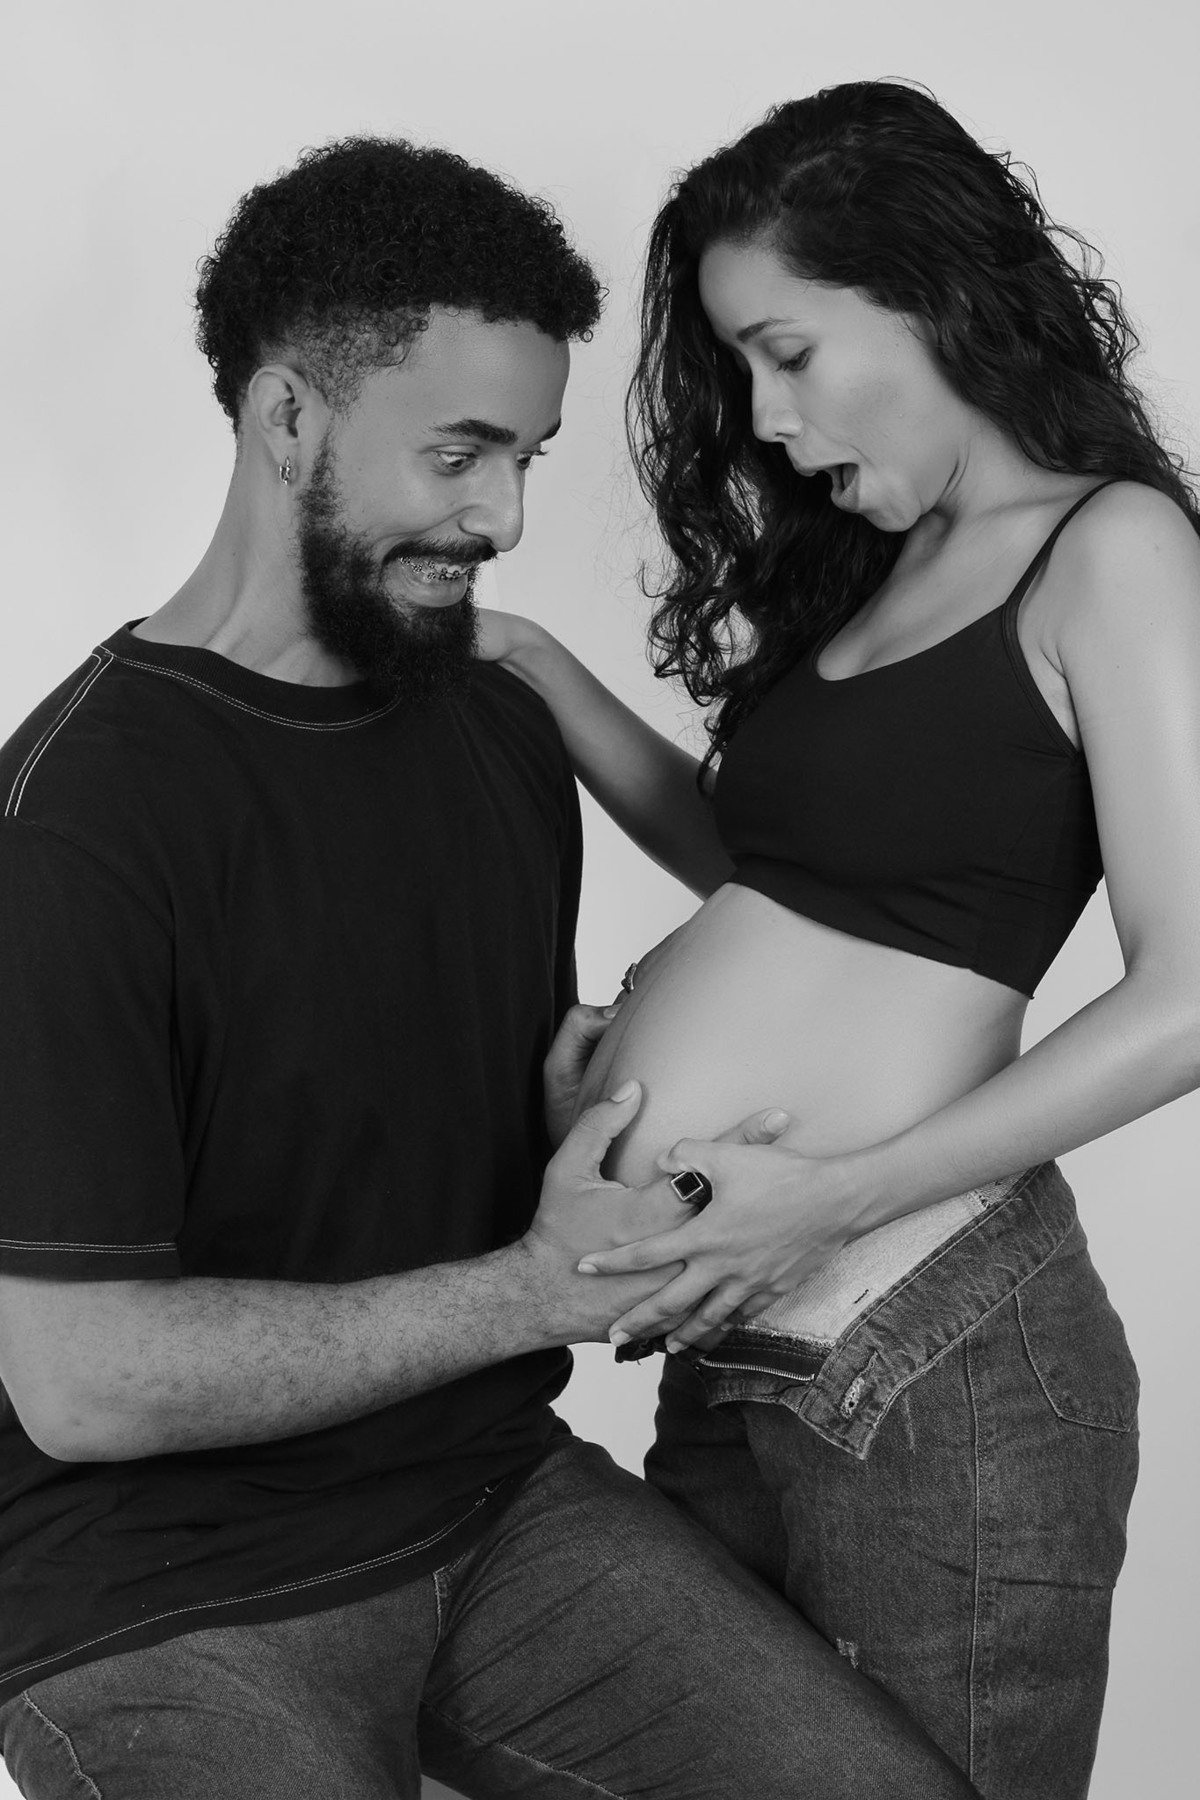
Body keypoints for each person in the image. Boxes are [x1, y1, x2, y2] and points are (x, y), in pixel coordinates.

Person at [0, 135, 983, 1800]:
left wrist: (578, 1123)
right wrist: (535, 1287)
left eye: (524, 456)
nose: (505, 517)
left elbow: (394, 1134)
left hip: (491, 1501)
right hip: (153, 1597)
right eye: (458, 454)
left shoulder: (492, 724)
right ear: (286, 419)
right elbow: (82, 1386)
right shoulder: (76, 825)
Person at [477, 81, 1200, 1800]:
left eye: (786, 351)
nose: (764, 415)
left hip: (925, 1355)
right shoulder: (876, 567)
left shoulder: (1107, 549)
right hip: (735, 1345)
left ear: (934, 296)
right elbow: (784, 869)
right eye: (738, 368)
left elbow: (1194, 992)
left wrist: (836, 1195)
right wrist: (539, 670)